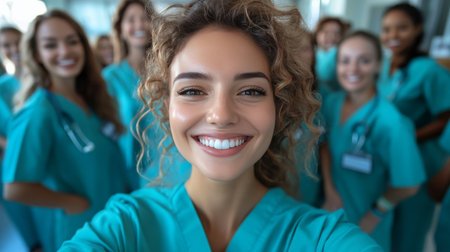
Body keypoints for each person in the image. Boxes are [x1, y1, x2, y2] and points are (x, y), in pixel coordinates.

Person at [60, 1, 382, 251]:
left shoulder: (322, 240)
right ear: (166, 107)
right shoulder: (125, 228)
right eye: (193, 90)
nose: (221, 114)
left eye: (251, 91)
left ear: (278, 108)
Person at [2, 10, 127, 252]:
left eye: (72, 41)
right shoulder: (37, 111)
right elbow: (15, 188)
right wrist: (73, 203)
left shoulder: (91, 99)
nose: (65, 51)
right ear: (37, 55)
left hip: (112, 218)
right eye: (51, 45)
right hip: (80, 229)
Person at [320, 30, 425, 251]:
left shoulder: (392, 122)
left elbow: (409, 185)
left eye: (364, 61)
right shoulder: (332, 103)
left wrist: (375, 213)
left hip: (367, 224)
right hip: (331, 213)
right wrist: (330, 191)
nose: (352, 69)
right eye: (345, 61)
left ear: (379, 65)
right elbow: (326, 145)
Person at [377, 3, 450, 251]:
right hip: (388, 161)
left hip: (421, 162)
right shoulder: (384, 67)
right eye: (387, 29)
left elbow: (446, 118)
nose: (393, 36)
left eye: (402, 28)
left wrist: (407, 138)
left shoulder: (429, 70)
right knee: (385, 226)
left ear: (418, 29)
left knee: (410, 233)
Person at [0, 25, 41, 251]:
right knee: (27, 227)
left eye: (17, 42)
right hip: (12, 162)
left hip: (44, 162)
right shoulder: (2, 87)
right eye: (6, 45)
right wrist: (14, 147)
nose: (14, 49)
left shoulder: (40, 80)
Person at [313, 16, 347, 95]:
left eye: (337, 33)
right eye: (326, 32)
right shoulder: (312, 53)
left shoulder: (340, 54)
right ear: (317, 34)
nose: (332, 37)